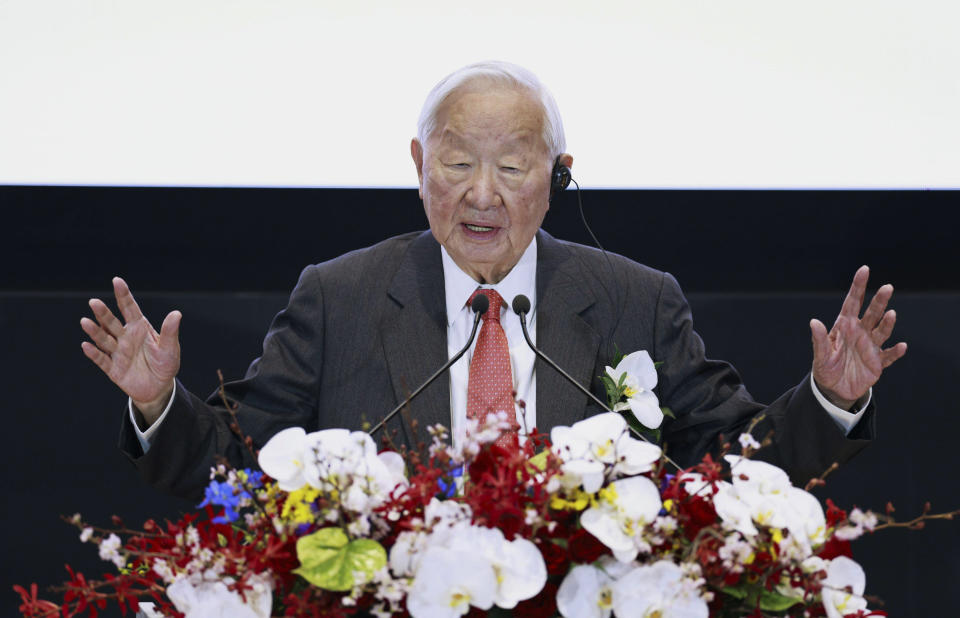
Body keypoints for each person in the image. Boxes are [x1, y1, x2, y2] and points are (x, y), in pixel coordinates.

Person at [80, 61, 907, 500]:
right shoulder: (340, 297)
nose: (482, 193)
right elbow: (240, 472)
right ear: (416, 165)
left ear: (560, 175)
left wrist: (829, 400)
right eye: (455, 161)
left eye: (512, 165)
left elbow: (735, 467)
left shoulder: (634, 301)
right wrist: (157, 406)